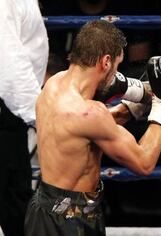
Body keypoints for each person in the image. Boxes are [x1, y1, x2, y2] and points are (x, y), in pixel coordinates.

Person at [24, 20, 161, 236]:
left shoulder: (53, 85)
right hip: (69, 222)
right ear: (105, 61)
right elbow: (144, 162)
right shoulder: (91, 113)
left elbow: (84, 129)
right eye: (117, 65)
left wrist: (130, 108)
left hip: (44, 209)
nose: (116, 73)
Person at [0, 0, 49, 235]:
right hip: (8, 111)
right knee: (15, 200)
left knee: (15, 203)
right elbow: (9, 64)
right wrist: (40, 117)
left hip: (12, 114)